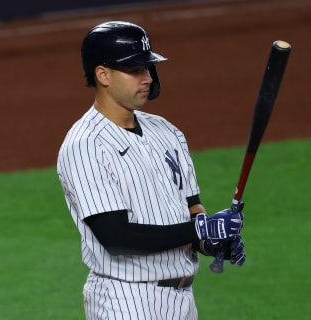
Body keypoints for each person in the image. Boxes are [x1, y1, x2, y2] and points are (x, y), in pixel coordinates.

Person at [57, 21, 246, 320]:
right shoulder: (86, 145)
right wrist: (198, 229)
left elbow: (191, 208)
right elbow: (117, 238)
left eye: (147, 68)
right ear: (102, 75)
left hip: (183, 301)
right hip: (126, 300)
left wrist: (210, 240)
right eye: (134, 71)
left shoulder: (166, 131)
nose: (146, 78)